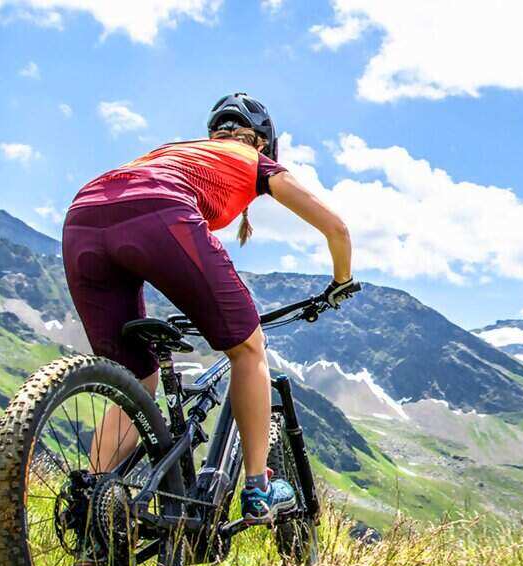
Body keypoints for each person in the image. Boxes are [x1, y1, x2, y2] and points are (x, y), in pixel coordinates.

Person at [61, 92, 356, 525]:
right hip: (160, 211)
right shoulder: (254, 160)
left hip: (82, 217)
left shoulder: (174, 151)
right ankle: (258, 487)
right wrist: (341, 281)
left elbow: (126, 199)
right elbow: (337, 228)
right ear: (260, 142)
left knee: (136, 380)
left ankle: (93, 504)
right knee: (248, 349)